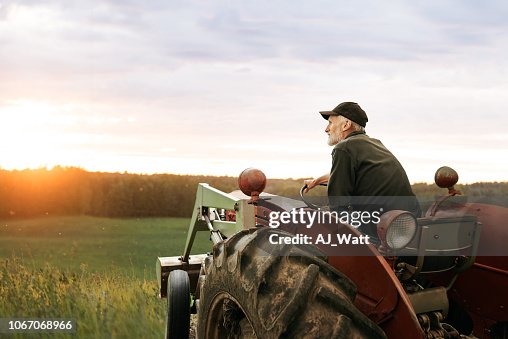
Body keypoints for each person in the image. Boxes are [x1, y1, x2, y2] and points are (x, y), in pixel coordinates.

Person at [305, 101, 421, 237]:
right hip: (408, 224)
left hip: (378, 230)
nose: (326, 129)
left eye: (330, 123)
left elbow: (338, 204)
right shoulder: (374, 144)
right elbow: (351, 173)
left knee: (315, 224)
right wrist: (317, 180)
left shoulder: (344, 148)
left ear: (346, 125)